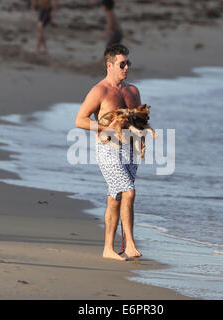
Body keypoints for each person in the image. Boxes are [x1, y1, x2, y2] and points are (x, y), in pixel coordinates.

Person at [75, 44, 142, 261]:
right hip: (107, 148)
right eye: (122, 64)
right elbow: (80, 120)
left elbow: (139, 119)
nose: (126, 68)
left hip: (130, 149)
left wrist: (142, 136)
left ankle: (108, 249)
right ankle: (130, 244)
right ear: (109, 65)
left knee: (116, 197)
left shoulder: (133, 91)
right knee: (129, 191)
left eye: (128, 63)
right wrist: (106, 128)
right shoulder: (100, 91)